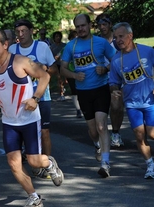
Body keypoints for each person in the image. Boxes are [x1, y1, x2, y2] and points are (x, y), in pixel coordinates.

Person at [0, 29, 64, 207]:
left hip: (29, 120)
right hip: (9, 123)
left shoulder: (20, 61)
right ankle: (34, 197)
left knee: (34, 162)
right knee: (14, 164)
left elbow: (45, 76)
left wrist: (35, 98)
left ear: (5, 45)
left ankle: (49, 163)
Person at [60, 14, 116, 178]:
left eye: (83, 26)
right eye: (77, 27)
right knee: (92, 131)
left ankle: (105, 163)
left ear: (90, 25)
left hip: (101, 88)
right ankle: (97, 145)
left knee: (101, 126)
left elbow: (115, 60)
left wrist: (105, 68)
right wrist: (74, 75)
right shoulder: (71, 46)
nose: (80, 29)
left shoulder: (101, 42)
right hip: (83, 92)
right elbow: (63, 68)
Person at [9, 19, 57, 178]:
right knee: (23, 134)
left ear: (31, 31)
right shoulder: (12, 49)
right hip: (19, 99)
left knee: (45, 132)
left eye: (24, 31)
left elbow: (54, 69)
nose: (20, 34)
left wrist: (45, 69)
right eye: (18, 32)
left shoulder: (42, 47)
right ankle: (33, 161)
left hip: (42, 97)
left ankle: (49, 165)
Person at [109, 22, 154, 179]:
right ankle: (150, 165)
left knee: (153, 134)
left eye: (121, 36)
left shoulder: (147, 51)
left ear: (130, 36)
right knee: (139, 135)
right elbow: (113, 82)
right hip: (132, 104)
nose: (118, 40)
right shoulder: (116, 60)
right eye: (115, 37)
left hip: (150, 101)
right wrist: (115, 91)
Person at [96, 13, 125, 148]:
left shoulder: (118, 41)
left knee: (116, 106)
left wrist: (107, 68)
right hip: (99, 81)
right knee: (101, 110)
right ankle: (101, 135)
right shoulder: (96, 42)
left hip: (117, 80)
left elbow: (124, 57)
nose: (102, 27)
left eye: (104, 24)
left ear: (110, 25)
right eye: (99, 25)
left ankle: (115, 133)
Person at [65, 30, 83, 118]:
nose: (75, 38)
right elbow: (62, 61)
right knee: (74, 91)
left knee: (82, 90)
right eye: (73, 37)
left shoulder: (83, 46)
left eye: (77, 36)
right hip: (71, 72)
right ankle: (78, 110)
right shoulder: (67, 47)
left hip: (82, 72)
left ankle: (84, 107)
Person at [50, 31, 67, 101]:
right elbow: (50, 56)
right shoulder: (52, 46)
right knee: (59, 79)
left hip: (64, 64)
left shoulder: (64, 45)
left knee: (65, 80)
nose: (58, 38)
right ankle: (61, 94)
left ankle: (64, 89)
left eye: (59, 36)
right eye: (56, 36)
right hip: (56, 65)